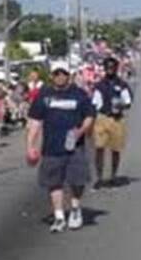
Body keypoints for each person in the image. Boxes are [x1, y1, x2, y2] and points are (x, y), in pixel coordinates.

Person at [26, 66, 97, 232]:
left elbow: (89, 116)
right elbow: (34, 122)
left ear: (68, 75)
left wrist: (80, 131)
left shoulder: (79, 94)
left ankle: (75, 209)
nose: (59, 77)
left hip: (74, 147)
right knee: (54, 182)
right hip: (51, 147)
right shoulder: (44, 96)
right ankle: (58, 216)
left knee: (77, 181)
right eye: (56, 74)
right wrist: (30, 146)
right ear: (52, 76)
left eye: (63, 73)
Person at [92, 56, 134, 188]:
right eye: (107, 67)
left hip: (117, 119)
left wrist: (120, 105)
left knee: (116, 149)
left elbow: (128, 101)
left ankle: (113, 175)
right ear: (104, 69)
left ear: (116, 68)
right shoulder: (99, 85)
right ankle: (99, 177)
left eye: (112, 67)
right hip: (102, 117)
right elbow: (95, 103)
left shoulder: (121, 85)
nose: (110, 70)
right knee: (99, 148)